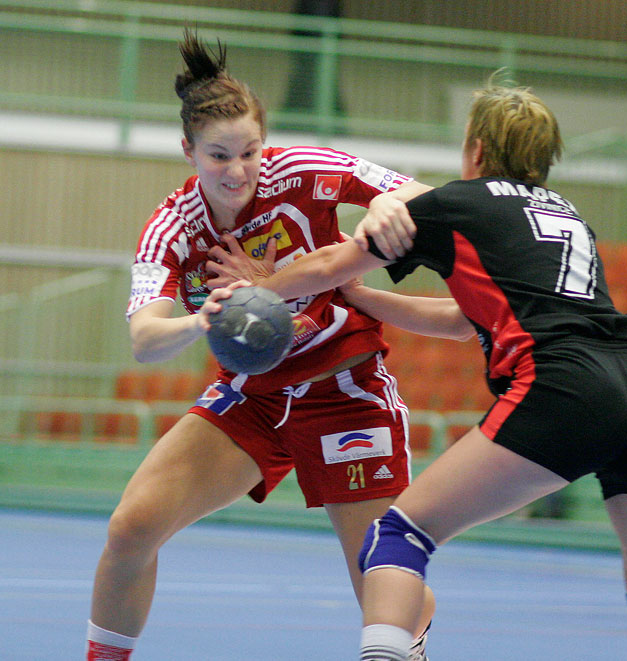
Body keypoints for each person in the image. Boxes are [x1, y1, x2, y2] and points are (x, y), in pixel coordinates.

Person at [219, 74, 627, 660]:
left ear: (475, 149)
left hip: (566, 387)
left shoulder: (455, 203)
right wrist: (365, 298)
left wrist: (265, 284)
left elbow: (326, 266)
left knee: (397, 537)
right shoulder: (572, 220)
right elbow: (467, 317)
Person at [84, 29, 451, 660]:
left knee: (382, 587)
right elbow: (145, 339)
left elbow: (419, 194)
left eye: (250, 152)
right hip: (251, 398)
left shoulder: (304, 171)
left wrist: (389, 207)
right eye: (219, 156)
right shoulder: (174, 227)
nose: (238, 170)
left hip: (345, 392)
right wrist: (202, 322)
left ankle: (412, 638)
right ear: (188, 151)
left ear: (266, 143)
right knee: (131, 528)